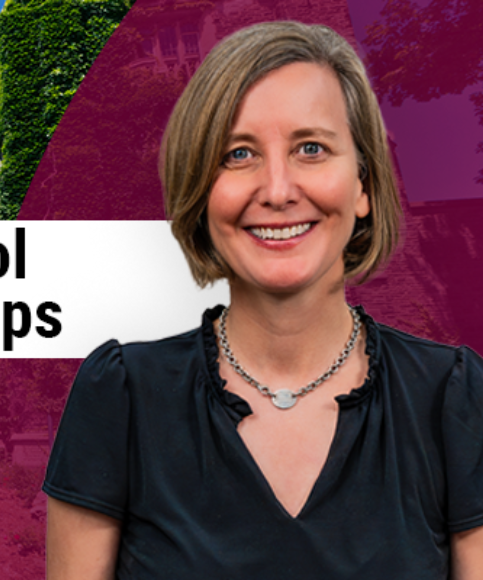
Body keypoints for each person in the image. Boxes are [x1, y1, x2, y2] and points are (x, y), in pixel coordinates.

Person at [42, 21, 483, 579]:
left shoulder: (452, 400)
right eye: (238, 154)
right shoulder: (123, 396)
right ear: (200, 192)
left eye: (312, 148)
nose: (277, 190)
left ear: (364, 186)